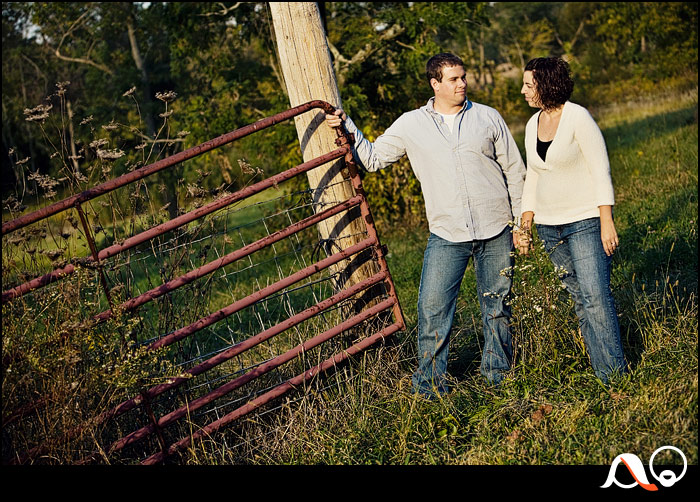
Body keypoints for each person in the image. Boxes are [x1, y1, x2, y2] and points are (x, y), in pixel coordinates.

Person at [325, 53, 527, 397]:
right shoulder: (411, 124)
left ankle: (498, 376)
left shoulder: (487, 117)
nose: (462, 84)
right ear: (435, 83)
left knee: (497, 306)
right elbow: (372, 158)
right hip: (447, 232)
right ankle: (430, 386)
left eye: (463, 77)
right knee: (433, 309)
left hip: (495, 226)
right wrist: (347, 125)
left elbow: (515, 171)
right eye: (454, 79)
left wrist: (521, 225)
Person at [518, 56, 628, 383]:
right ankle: (602, 371)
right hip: (549, 228)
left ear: (546, 85)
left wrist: (606, 220)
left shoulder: (578, 117)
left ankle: (615, 378)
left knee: (596, 297)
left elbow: (600, 169)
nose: (523, 91)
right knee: (580, 298)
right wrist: (525, 225)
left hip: (585, 221)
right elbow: (533, 176)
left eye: (528, 85)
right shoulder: (532, 124)